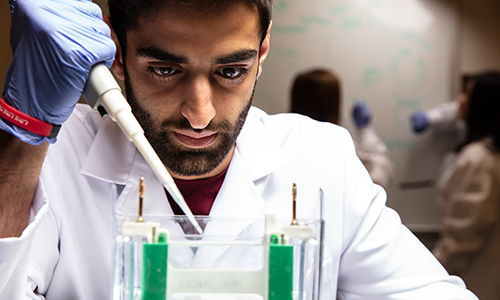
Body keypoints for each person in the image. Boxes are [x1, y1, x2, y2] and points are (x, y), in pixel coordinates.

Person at [0, 0, 478, 299]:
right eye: (165, 70)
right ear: (118, 54)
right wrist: (25, 137)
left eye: (230, 71)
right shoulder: (56, 153)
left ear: (262, 51)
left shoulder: (320, 158)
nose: (200, 113)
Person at [431, 71, 500, 300]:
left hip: (474, 280)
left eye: (466, 94)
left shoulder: (479, 158)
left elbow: (462, 238)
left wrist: (430, 273)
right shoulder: (485, 152)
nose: (459, 101)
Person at [290, 69, 394, 189]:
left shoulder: (287, 144)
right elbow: (379, 177)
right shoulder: (339, 145)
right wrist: (365, 131)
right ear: (332, 105)